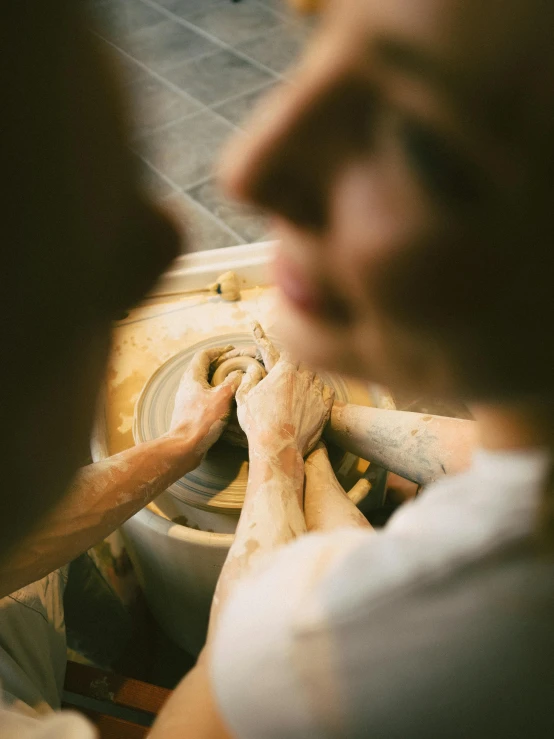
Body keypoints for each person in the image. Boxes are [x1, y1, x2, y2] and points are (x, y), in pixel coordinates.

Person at [1, 0, 553, 737]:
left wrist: (272, 446)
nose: (242, 170)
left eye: (424, 143)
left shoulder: (379, 643)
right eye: (313, 35)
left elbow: (279, 645)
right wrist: (284, 439)